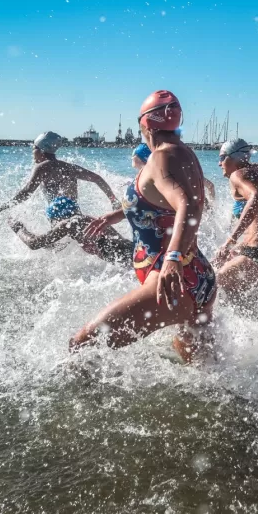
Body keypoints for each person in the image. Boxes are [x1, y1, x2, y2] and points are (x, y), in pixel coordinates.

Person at [70, 90, 216, 363]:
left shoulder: (162, 157)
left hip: (171, 278)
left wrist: (172, 259)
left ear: (146, 124)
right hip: (195, 276)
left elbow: (188, 206)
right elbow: (161, 203)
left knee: (82, 347)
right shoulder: (181, 153)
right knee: (206, 373)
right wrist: (114, 216)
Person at [0, 131, 120, 224]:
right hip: (75, 214)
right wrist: (113, 200)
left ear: (41, 149)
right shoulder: (68, 167)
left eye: (34, 148)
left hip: (58, 217)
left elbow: (26, 193)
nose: (32, 152)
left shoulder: (42, 167)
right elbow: (97, 178)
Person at [213, 139, 258, 305]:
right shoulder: (248, 173)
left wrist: (230, 241)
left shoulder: (238, 175)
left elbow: (256, 197)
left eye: (221, 158)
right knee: (232, 296)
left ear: (233, 158)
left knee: (212, 284)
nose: (219, 164)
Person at [8, 215, 132, 264]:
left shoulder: (73, 224)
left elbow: (34, 243)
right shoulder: (84, 224)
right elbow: (39, 244)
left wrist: (18, 229)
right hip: (134, 254)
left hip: (130, 257)